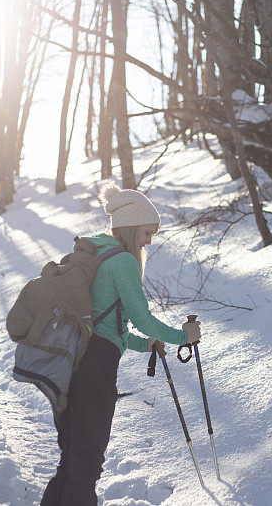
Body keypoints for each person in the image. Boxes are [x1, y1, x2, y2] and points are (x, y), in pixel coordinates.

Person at [41, 183, 201, 505]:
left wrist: (146, 346)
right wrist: (184, 336)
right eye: (146, 232)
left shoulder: (98, 253)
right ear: (130, 227)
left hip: (72, 364)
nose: (149, 241)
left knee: (72, 461)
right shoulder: (123, 261)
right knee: (86, 465)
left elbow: (110, 327)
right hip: (95, 370)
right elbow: (142, 319)